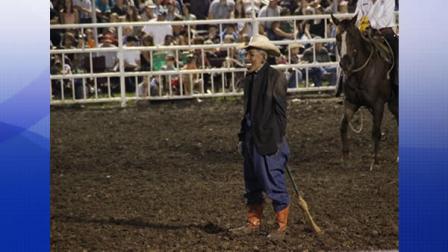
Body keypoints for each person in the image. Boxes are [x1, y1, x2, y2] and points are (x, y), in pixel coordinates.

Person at [230, 34, 290, 240]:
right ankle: (253, 222)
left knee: (273, 181)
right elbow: (247, 112)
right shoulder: (249, 79)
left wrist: (277, 139)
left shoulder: (276, 78)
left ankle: (281, 227)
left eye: (251, 53)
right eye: (248, 53)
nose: (248, 57)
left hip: (268, 140)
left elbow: (281, 114)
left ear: (262, 56)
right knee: (252, 182)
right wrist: (242, 137)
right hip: (251, 139)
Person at [355, 0, 398, 86]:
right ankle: (342, 81)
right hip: (365, 33)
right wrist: (360, 23)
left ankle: (396, 81)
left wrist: (370, 23)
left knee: (396, 51)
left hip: (384, 33)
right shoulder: (361, 1)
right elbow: (357, 16)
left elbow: (387, 18)